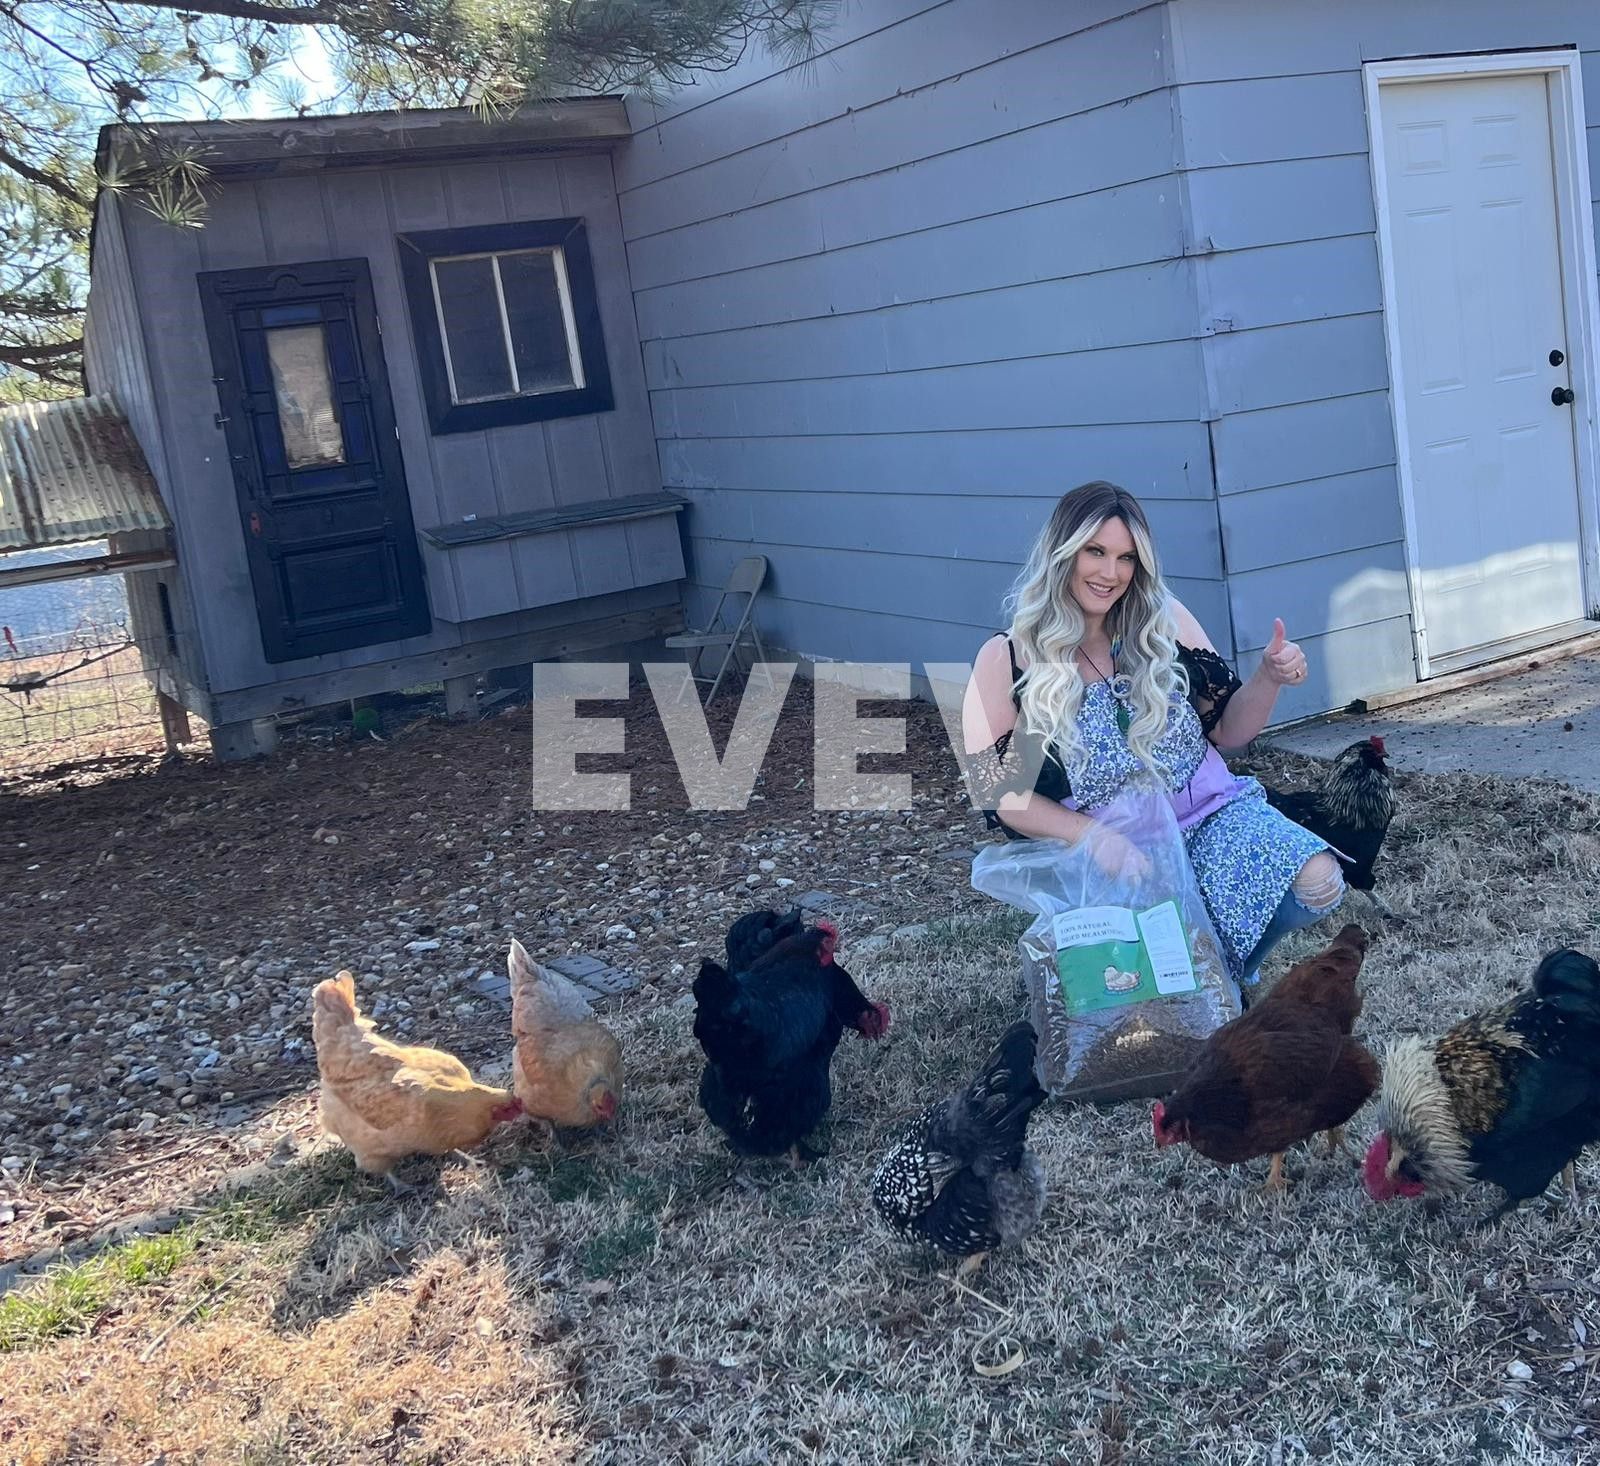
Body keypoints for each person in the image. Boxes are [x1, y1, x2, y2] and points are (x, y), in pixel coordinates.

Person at [961, 481, 1344, 986]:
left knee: (1319, 882)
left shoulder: (1165, 621)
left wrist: (1269, 678)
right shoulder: (1008, 658)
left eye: (1126, 558)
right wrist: (1093, 838)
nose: (1111, 573)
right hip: (1114, 850)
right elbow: (1005, 798)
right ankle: (1198, 979)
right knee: (1139, 992)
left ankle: (1233, 971)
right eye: (1095, 551)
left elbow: (1229, 730)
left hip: (1206, 815)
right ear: (1062, 552)